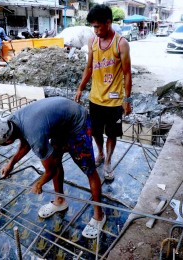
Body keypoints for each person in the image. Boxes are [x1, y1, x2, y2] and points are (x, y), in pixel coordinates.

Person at [0, 97, 106, 239]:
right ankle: (60, 201)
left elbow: (50, 170)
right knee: (55, 158)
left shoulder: (35, 136)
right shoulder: (11, 122)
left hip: (77, 122)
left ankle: (99, 215)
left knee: (89, 170)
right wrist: (11, 163)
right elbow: (24, 143)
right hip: (61, 122)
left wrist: (39, 184)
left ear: (8, 140)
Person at [74, 4, 132, 181]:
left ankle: (108, 162)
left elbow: (127, 73)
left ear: (108, 23)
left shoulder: (121, 43)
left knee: (112, 134)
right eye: (93, 26)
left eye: (98, 26)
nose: (95, 30)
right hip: (96, 98)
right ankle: (100, 153)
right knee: (96, 132)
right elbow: (89, 67)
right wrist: (80, 88)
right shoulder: (93, 41)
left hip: (114, 101)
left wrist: (127, 99)